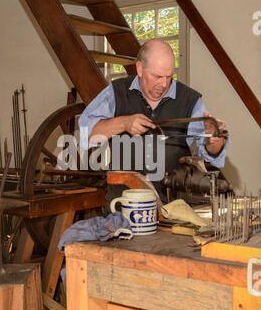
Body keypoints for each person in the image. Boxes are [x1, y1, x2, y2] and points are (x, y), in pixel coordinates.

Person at [78, 38, 230, 205]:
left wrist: (213, 140)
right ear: (140, 69)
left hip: (175, 209)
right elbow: (86, 134)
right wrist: (123, 123)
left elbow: (208, 153)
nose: (163, 84)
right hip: (123, 208)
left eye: (169, 76)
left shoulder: (190, 100)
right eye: (157, 76)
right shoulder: (116, 92)